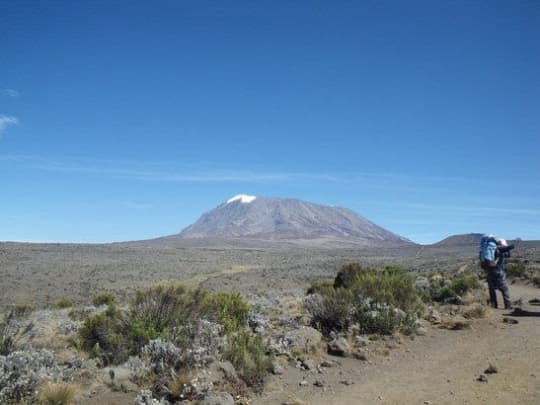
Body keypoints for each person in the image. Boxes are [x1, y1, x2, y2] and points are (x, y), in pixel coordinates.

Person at [486, 238, 515, 309]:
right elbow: (510, 251)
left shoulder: (490, 251)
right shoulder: (499, 249)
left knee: (492, 290)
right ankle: (507, 305)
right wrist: (506, 246)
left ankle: (493, 305)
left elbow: (508, 255)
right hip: (498, 272)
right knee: (504, 289)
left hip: (489, 272)